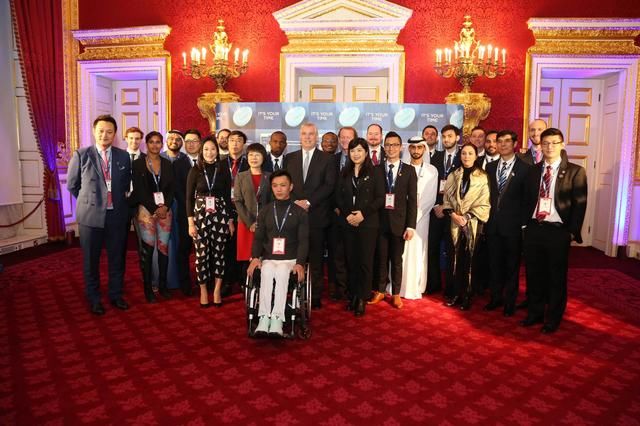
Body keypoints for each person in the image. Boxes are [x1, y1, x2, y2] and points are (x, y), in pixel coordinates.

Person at [521, 128, 587, 333]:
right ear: (540, 146)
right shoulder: (532, 170)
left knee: (556, 276)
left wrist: (571, 232)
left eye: (554, 142)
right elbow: (525, 199)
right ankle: (535, 313)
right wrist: (524, 225)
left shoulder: (576, 171)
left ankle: (553, 318)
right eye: (546, 143)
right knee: (534, 274)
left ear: (562, 144)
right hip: (534, 229)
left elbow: (580, 205)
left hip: (558, 232)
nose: (549, 147)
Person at [67, 115, 131, 315]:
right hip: (90, 217)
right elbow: (73, 185)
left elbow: (125, 184)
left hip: (116, 216)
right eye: (101, 131)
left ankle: (116, 295)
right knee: (91, 260)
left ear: (115, 134)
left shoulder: (123, 156)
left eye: (109, 131)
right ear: (94, 132)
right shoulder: (81, 155)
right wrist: (90, 202)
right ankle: (94, 298)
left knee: (117, 258)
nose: (105, 135)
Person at [247, 170, 308, 336]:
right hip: (269, 258)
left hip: (290, 259)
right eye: (275, 186)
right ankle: (263, 317)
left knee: (281, 272)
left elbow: (304, 241)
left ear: (291, 187)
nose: (279, 189)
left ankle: (277, 319)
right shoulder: (265, 211)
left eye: (283, 185)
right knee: (266, 271)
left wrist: (300, 263)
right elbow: (258, 238)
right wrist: (254, 258)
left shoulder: (300, 212)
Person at [285, 122, 337, 309]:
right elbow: (284, 184)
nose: (307, 137)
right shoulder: (289, 158)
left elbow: (329, 186)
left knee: (316, 259)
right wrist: (296, 203)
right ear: (300, 136)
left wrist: (308, 202)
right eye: (304, 134)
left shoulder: (328, 159)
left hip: (317, 216)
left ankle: (314, 296)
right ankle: (293, 293)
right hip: (294, 216)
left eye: (311, 134)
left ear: (316, 137)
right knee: (295, 258)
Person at [335, 138, 385, 316]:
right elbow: (338, 197)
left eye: (359, 150)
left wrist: (362, 214)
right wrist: (348, 214)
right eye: (352, 151)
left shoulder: (376, 172)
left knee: (365, 262)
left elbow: (380, 198)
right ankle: (353, 296)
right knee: (351, 261)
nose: (356, 154)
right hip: (348, 222)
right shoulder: (344, 172)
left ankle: (363, 298)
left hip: (368, 223)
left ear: (366, 152)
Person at [484, 130, 531, 316]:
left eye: (507, 141)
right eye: (499, 141)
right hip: (492, 225)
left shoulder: (525, 169)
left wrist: (523, 224)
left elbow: (528, 200)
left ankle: (510, 302)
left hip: (513, 227)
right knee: (494, 264)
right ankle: (496, 298)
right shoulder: (490, 167)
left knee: (512, 266)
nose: (502, 144)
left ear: (515, 144)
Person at [369, 131, 417, 309]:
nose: (391, 148)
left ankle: (396, 293)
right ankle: (380, 290)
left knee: (397, 260)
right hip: (379, 223)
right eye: (388, 145)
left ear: (401, 147)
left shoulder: (409, 171)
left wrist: (410, 226)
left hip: (399, 223)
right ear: (384, 147)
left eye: (395, 145)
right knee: (381, 259)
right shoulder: (375, 170)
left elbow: (412, 200)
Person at [186, 135, 234, 308]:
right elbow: (188, 199)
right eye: (206, 149)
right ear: (201, 151)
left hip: (220, 215)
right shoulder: (195, 170)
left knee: (219, 254)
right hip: (200, 217)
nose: (209, 152)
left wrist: (230, 220)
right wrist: (191, 223)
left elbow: (227, 197)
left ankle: (217, 290)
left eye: (213, 149)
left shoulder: (223, 169)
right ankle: (203, 290)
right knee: (201, 256)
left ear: (217, 151)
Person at [442, 143, 490, 311]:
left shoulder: (482, 176)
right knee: (455, 259)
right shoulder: (453, 174)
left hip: (473, 223)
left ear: (476, 156)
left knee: (470, 260)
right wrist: (453, 215)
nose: (466, 156)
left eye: (470, 153)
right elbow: (446, 198)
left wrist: (467, 217)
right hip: (454, 222)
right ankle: (456, 293)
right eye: (463, 153)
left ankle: (468, 295)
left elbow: (484, 202)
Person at [131, 131, 175, 302]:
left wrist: (166, 207)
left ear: (162, 144)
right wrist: (154, 208)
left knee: (163, 249)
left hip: (165, 211)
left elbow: (171, 189)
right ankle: (148, 289)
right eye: (151, 142)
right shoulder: (138, 164)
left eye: (158, 142)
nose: (155, 145)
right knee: (147, 250)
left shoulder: (167, 163)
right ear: (146, 144)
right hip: (146, 211)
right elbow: (139, 190)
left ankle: (163, 286)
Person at [399, 137, 438, 299]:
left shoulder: (431, 170)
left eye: (419, 147)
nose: (416, 151)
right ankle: (398, 285)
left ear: (424, 149)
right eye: (413, 147)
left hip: (421, 219)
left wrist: (414, 219)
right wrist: (405, 217)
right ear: (409, 149)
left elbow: (430, 198)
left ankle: (416, 285)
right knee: (401, 253)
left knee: (418, 252)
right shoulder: (401, 168)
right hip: (401, 218)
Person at [427, 124, 461, 296]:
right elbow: (427, 185)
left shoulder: (464, 157)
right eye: (444, 136)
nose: (446, 139)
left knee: (451, 251)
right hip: (435, 211)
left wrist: (446, 207)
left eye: (450, 136)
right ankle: (433, 283)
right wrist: (435, 205)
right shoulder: (435, 157)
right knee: (432, 248)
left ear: (457, 138)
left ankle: (451, 287)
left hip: (453, 213)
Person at [327, 126, 357, 300]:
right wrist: (335, 206)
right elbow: (328, 185)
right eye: (342, 137)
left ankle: (350, 287)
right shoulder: (331, 159)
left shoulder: (359, 159)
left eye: (349, 137)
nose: (345, 140)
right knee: (335, 253)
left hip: (353, 215)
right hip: (335, 213)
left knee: (351, 253)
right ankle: (337, 286)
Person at [172, 129, 202, 296]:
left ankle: (204, 280)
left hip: (206, 214)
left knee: (205, 250)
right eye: (188, 141)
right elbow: (177, 190)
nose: (191, 144)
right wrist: (191, 208)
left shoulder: (208, 160)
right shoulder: (177, 164)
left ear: (200, 142)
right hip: (185, 213)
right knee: (184, 249)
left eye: (194, 141)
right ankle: (185, 284)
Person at [234, 143, 272, 264]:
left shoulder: (270, 177)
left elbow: (272, 201)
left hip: (265, 224)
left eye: (257, 155)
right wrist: (250, 222)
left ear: (263, 157)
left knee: (263, 259)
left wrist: (262, 221)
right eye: (251, 155)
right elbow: (237, 200)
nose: (254, 158)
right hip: (246, 223)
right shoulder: (240, 176)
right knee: (246, 259)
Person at [223, 130, 249, 295]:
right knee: (226, 249)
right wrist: (227, 216)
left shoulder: (249, 163)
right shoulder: (219, 163)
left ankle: (243, 280)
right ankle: (227, 281)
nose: (235, 143)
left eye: (239, 140)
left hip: (244, 211)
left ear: (243, 144)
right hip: (224, 210)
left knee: (243, 247)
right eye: (232, 140)